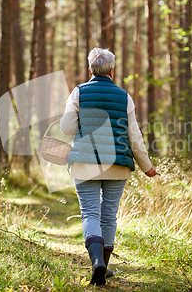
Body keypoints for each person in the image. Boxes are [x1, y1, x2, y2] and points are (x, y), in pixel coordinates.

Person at [60, 48, 157, 286]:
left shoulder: (78, 92)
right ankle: (103, 263)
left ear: (90, 69)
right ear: (112, 70)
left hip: (85, 164)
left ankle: (97, 264)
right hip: (118, 164)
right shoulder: (124, 96)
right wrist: (147, 166)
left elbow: (66, 129)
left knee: (90, 212)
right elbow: (134, 136)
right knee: (109, 215)